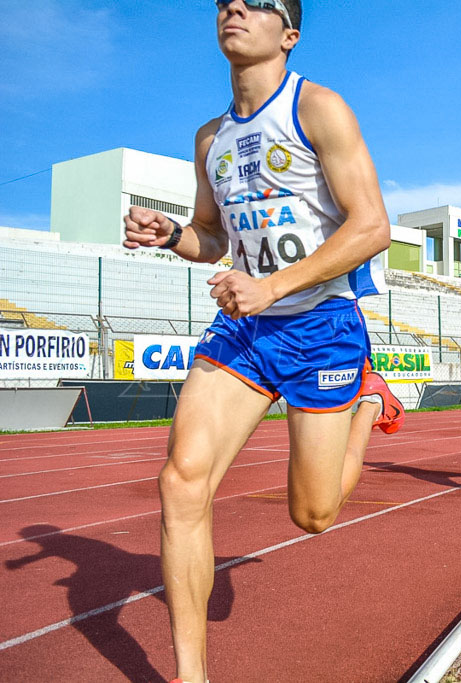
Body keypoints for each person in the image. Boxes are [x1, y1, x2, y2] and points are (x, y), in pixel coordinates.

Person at [122, 3, 404, 681]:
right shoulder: (209, 138)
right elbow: (213, 236)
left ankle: (367, 403)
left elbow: (371, 227)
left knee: (313, 514)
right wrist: (174, 236)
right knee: (182, 481)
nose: (234, 8)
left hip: (322, 326)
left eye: (256, 1)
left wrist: (273, 286)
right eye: (225, 1)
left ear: (289, 34)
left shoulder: (318, 108)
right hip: (244, 328)